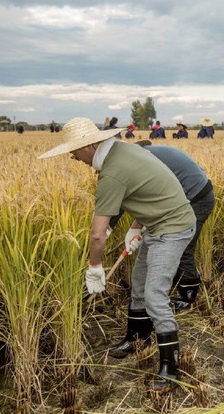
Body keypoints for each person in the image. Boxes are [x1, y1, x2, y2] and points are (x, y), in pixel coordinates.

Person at [37, 117, 196, 391]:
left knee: (155, 296)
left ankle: (171, 368)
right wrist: (138, 224)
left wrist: (94, 266)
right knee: (138, 285)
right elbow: (148, 188)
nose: (74, 157)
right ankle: (136, 339)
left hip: (172, 229)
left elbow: (97, 234)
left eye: (74, 151)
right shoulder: (125, 149)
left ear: (89, 145)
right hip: (157, 224)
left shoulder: (111, 172)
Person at [110, 139, 214, 312]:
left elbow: (148, 195)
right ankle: (173, 284)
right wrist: (137, 226)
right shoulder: (150, 154)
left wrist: (106, 227)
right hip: (191, 193)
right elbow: (151, 197)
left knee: (182, 247)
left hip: (196, 198)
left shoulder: (145, 160)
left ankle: (189, 296)